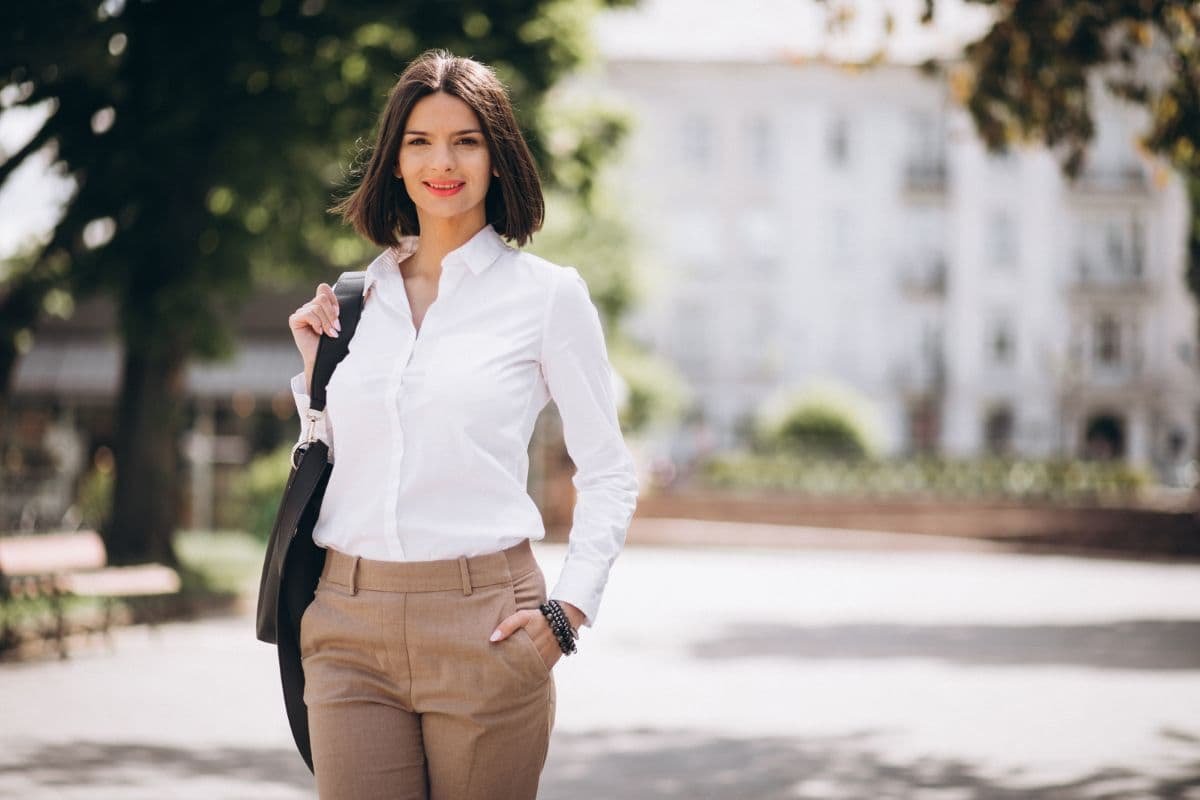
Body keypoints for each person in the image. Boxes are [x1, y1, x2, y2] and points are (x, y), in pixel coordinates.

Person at [285, 48, 639, 799]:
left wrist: (567, 614)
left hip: (488, 624)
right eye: (419, 141)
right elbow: (338, 463)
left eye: (465, 140)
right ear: (394, 161)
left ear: (498, 158)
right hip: (348, 625)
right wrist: (312, 374)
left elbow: (608, 471)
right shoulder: (356, 301)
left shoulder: (546, 296)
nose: (441, 161)